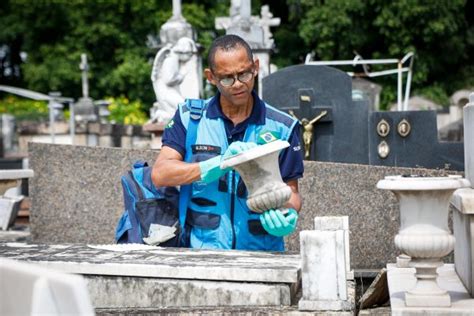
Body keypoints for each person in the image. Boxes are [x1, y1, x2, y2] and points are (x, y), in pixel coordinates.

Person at [152, 34, 303, 251]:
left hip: (262, 252)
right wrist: (216, 165)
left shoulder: (283, 127)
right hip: (203, 252)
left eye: (244, 74)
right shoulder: (189, 118)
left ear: (256, 67)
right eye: (226, 78)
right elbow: (161, 173)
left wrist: (288, 213)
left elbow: (292, 191)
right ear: (210, 77)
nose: (238, 84)